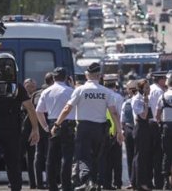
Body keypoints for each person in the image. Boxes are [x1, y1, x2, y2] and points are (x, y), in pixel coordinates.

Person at [52, 62, 124, 191]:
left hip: (84, 128)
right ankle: (95, 183)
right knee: (98, 157)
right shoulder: (106, 91)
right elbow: (114, 113)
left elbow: (67, 108)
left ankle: (88, 181)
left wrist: (57, 124)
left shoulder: (80, 90)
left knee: (83, 156)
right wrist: (119, 131)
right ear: (99, 76)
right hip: (100, 129)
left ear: (87, 75)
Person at [0, 54, 40, 191]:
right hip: (13, 132)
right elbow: (30, 108)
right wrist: (35, 129)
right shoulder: (18, 87)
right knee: (13, 165)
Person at [36, 67, 75, 191]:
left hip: (53, 124)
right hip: (68, 124)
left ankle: (52, 185)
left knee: (51, 157)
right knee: (67, 157)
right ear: (66, 77)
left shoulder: (46, 91)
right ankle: (66, 185)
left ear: (53, 77)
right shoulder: (71, 91)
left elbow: (39, 111)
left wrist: (45, 127)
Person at [100, 75, 124, 190]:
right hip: (115, 130)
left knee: (105, 159)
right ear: (115, 84)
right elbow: (118, 115)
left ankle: (106, 183)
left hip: (102, 131)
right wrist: (119, 131)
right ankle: (118, 183)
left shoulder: (102, 95)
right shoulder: (118, 97)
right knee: (117, 160)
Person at [132, 79, 154, 191]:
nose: (149, 89)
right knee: (140, 157)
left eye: (149, 87)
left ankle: (137, 182)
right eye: (146, 88)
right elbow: (143, 116)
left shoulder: (144, 99)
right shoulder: (138, 99)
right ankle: (140, 183)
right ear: (141, 89)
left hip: (145, 128)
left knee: (143, 155)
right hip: (140, 128)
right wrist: (145, 103)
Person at [148, 73, 168, 189]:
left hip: (149, 124)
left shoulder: (150, 88)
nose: (165, 81)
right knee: (158, 155)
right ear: (160, 80)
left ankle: (150, 180)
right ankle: (159, 182)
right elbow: (159, 110)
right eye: (164, 79)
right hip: (157, 124)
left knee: (150, 154)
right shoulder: (159, 92)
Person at [121, 80, 138, 189]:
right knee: (138, 156)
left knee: (131, 156)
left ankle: (133, 181)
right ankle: (136, 180)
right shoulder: (139, 101)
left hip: (130, 129)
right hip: (135, 129)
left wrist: (122, 130)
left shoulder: (126, 103)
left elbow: (122, 120)